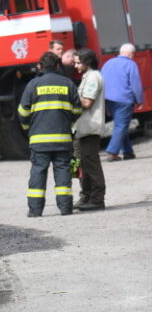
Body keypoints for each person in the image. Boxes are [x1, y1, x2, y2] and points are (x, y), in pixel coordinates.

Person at [18, 51, 82, 217]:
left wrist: (28, 130)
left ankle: (35, 210)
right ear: (58, 65)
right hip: (62, 139)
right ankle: (66, 208)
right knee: (63, 172)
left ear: (40, 66)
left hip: (39, 140)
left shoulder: (33, 85)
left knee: (38, 172)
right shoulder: (67, 84)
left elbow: (23, 113)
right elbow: (77, 110)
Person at [73, 48, 106, 211]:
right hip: (82, 129)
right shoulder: (87, 77)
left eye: (78, 63)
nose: (76, 66)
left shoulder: (93, 78)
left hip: (90, 128)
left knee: (91, 164)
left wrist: (69, 97)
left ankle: (97, 199)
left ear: (87, 62)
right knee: (81, 164)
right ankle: (86, 196)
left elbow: (86, 103)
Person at [101, 43, 143, 161]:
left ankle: (128, 152)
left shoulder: (108, 63)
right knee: (121, 125)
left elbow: (101, 81)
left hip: (109, 99)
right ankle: (112, 152)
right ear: (131, 54)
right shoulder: (130, 64)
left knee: (121, 125)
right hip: (124, 100)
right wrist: (139, 100)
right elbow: (135, 85)